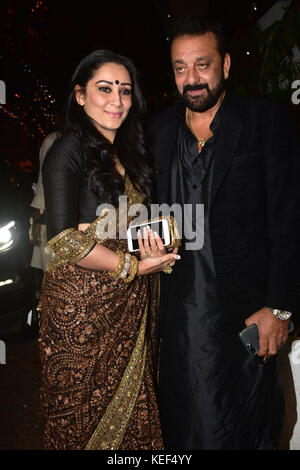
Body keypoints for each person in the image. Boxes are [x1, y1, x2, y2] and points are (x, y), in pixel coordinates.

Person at [148, 15, 300, 450]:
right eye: (180, 67)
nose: (191, 79)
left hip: (247, 318)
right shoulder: (156, 132)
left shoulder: (265, 123)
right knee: (186, 428)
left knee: (250, 428)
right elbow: (141, 205)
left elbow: (289, 222)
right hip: (180, 321)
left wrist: (281, 309)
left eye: (202, 64)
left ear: (226, 65)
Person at [38, 49, 179, 450]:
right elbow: (64, 241)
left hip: (126, 303)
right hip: (80, 308)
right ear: (80, 96)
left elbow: (131, 227)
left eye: (125, 91)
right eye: (105, 89)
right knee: (80, 420)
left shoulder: (129, 153)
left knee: (132, 418)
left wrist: (161, 241)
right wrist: (133, 268)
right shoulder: (68, 148)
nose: (117, 100)